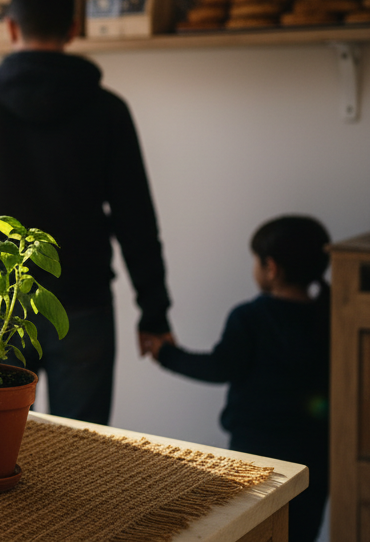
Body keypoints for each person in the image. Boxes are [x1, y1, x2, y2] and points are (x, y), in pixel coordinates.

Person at [0, 0, 173, 425]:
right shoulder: (108, 109)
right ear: (74, 29)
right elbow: (136, 217)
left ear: (11, 28)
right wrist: (154, 313)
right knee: (84, 453)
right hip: (83, 301)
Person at [152, 215, 331, 542]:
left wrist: (166, 355)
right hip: (316, 461)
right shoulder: (333, 319)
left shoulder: (250, 318)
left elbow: (220, 368)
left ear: (271, 268)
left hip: (255, 456)